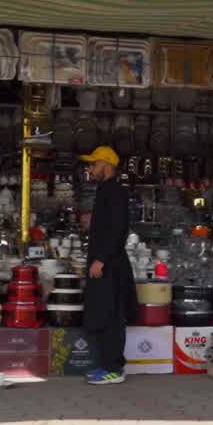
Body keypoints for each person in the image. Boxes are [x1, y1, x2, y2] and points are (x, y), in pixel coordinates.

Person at [80, 146, 138, 385]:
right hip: (105, 262)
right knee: (103, 315)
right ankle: (106, 365)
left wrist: (101, 259)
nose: (90, 169)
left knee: (112, 317)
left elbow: (118, 229)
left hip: (110, 265)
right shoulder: (106, 190)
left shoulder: (115, 190)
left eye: (93, 164)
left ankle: (114, 369)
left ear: (106, 164)